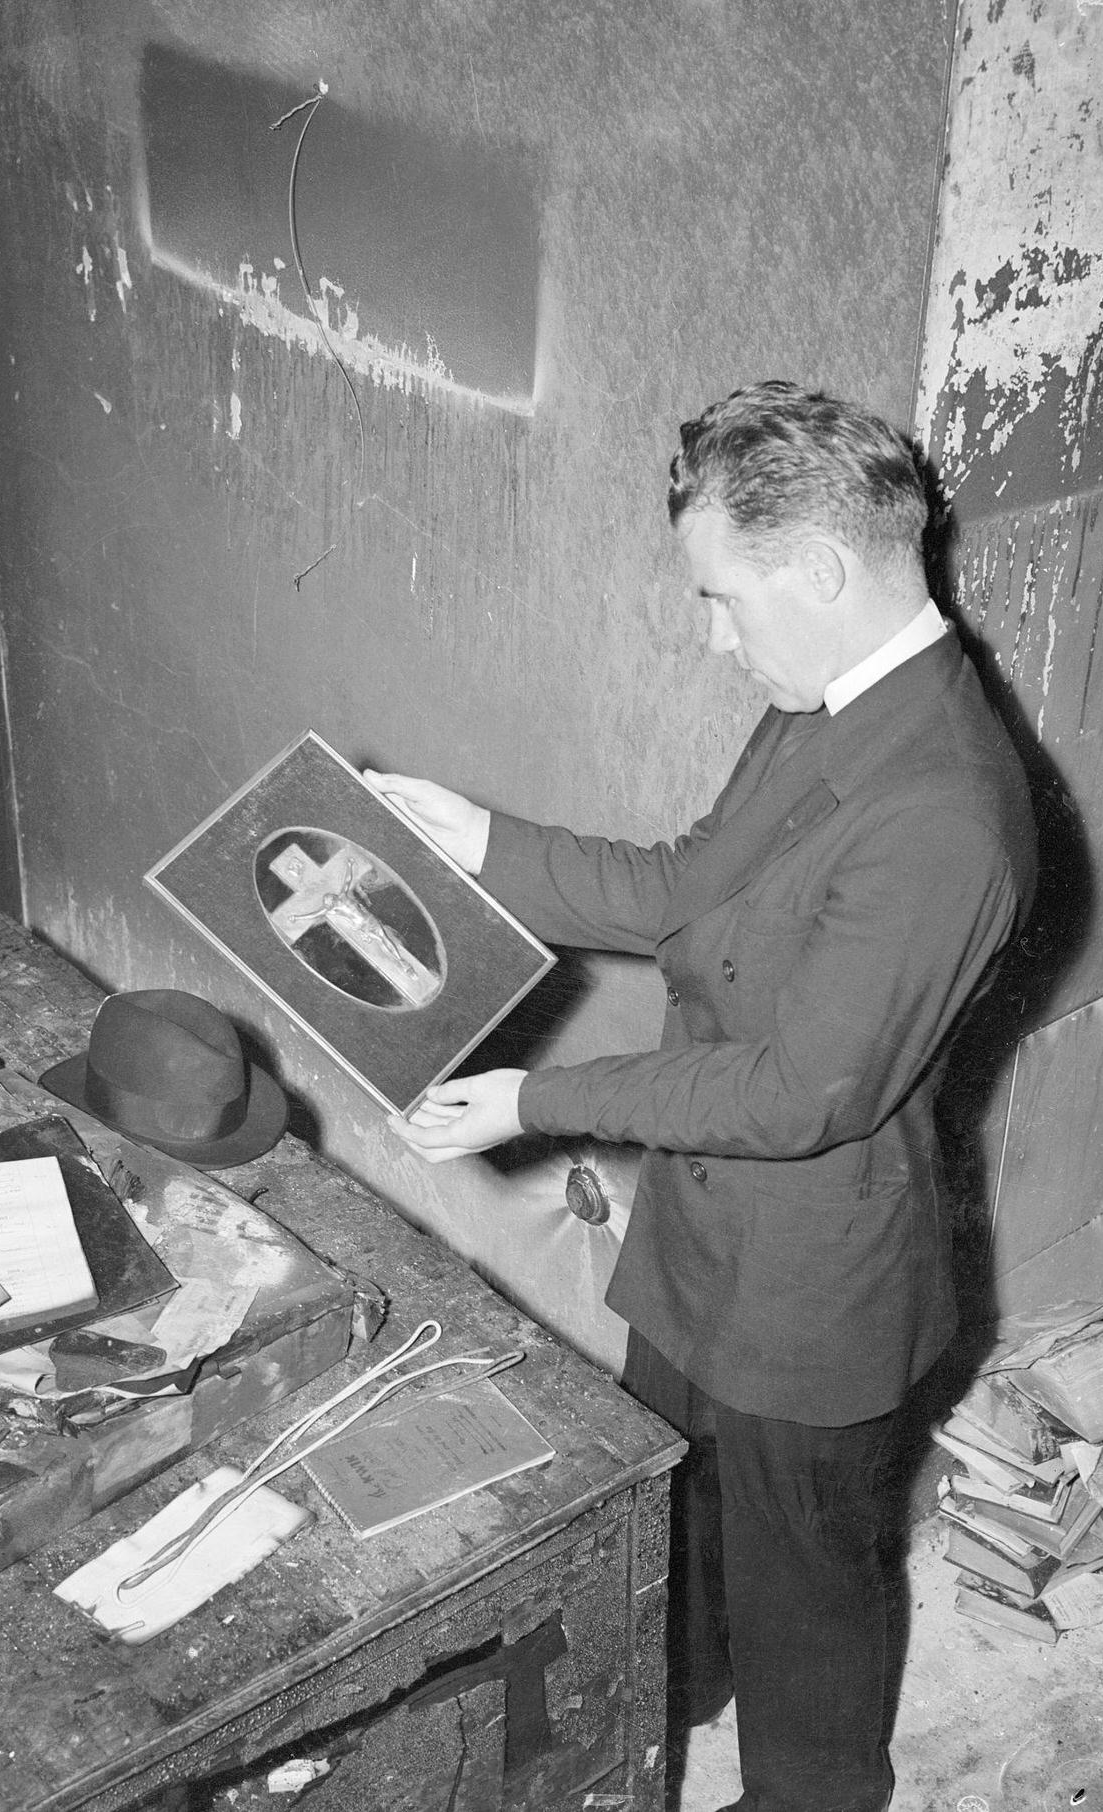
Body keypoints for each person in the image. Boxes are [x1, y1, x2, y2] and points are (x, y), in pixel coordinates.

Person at [364, 380, 1037, 1812]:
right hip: (706, 1242)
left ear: (819, 570)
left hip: (814, 1286)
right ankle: (652, 1716)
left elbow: (802, 1090)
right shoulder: (834, 705)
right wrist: (480, 839)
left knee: (811, 1601)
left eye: (721, 598)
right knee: (671, 1516)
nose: (707, 634)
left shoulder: (943, 810)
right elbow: (686, 889)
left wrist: (538, 1103)